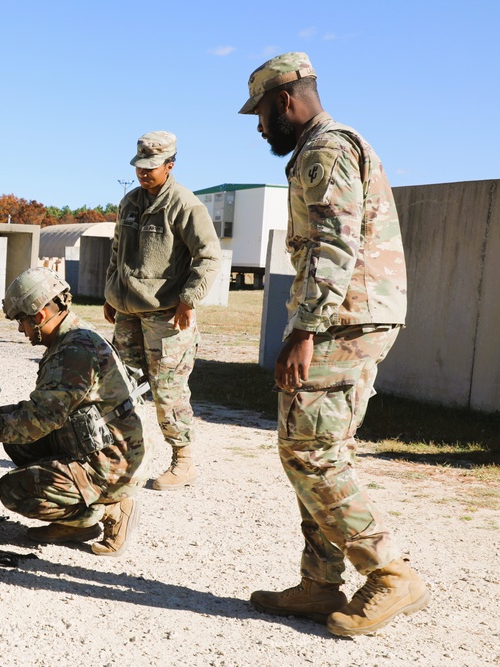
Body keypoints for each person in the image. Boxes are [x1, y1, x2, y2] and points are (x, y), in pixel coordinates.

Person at [238, 52, 428, 637]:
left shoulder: (324, 150)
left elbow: (333, 246)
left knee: (310, 449)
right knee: (317, 447)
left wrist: (304, 329)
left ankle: (390, 573)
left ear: (286, 100)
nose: (260, 126)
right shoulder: (325, 147)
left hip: (346, 318)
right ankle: (321, 584)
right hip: (352, 315)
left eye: (263, 113)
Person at [0, 268, 147, 556]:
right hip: (97, 445)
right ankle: (79, 517)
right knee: (16, 439)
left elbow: (43, 419)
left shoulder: (74, 350)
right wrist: (1, 414)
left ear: (39, 316)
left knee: (13, 489)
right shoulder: (71, 337)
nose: (20, 330)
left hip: (109, 463)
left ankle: (105, 510)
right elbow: (48, 407)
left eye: (21, 322)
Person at [104, 131, 221, 491]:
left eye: (151, 168)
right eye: (139, 166)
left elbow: (209, 255)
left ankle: (183, 462)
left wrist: (189, 299)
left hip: (168, 315)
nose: (143, 173)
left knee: (168, 390)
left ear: (170, 165)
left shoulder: (185, 205)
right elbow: (117, 251)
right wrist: (111, 294)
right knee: (119, 386)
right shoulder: (129, 202)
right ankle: (123, 456)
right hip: (128, 312)